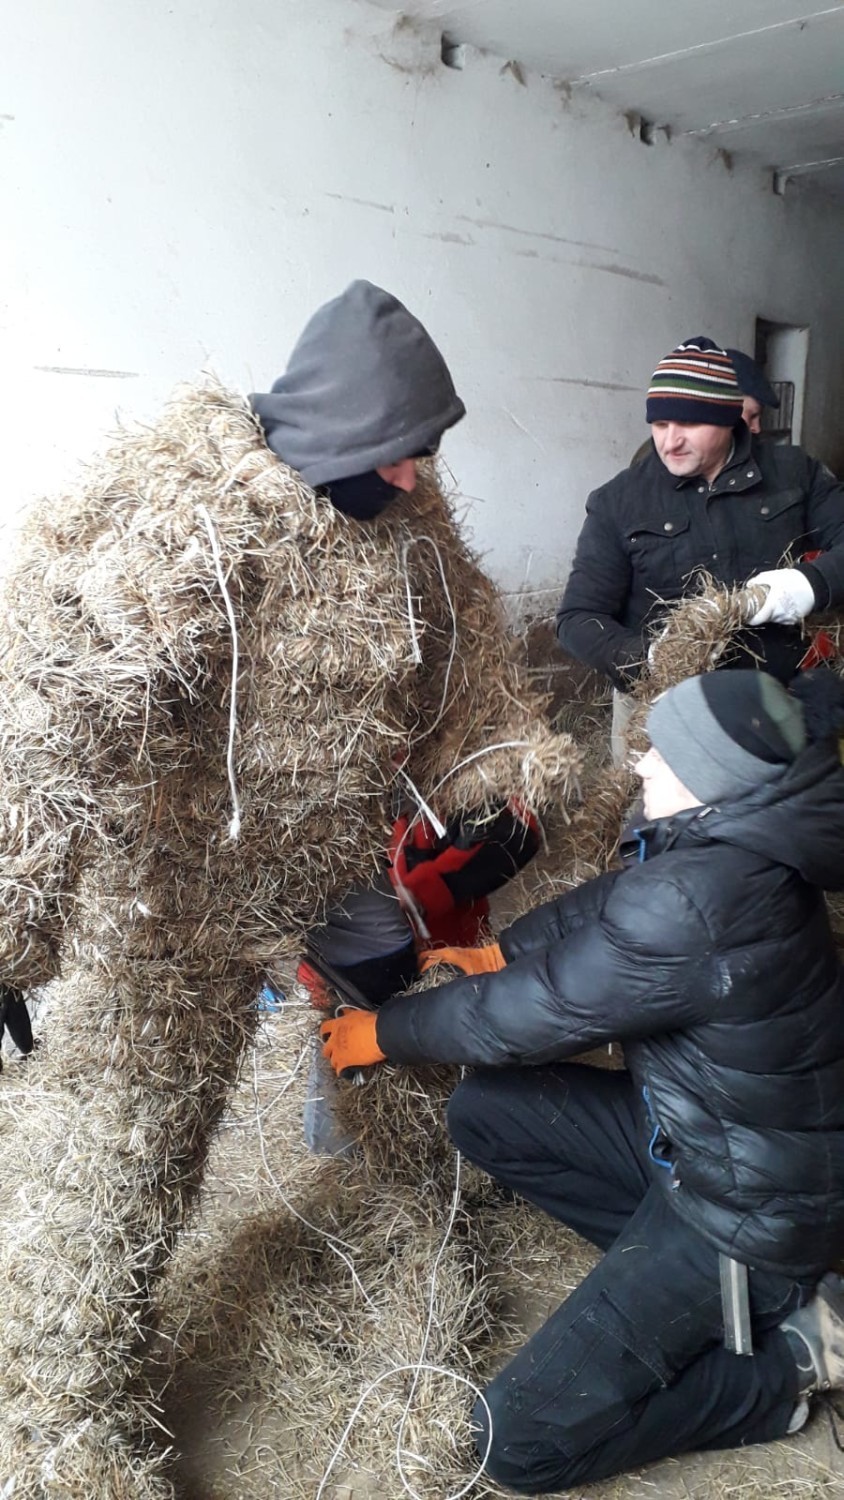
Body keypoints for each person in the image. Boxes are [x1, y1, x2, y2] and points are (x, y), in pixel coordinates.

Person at [320, 667, 844, 1492]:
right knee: (485, 1112)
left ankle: (785, 1365)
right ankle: (674, 1288)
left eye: (663, 755)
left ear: (709, 780)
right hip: (705, 1150)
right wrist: (499, 951)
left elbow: (521, 1020)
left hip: (749, 1216)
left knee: (512, 1443)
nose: (639, 766)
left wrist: (382, 1033)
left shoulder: (701, 898)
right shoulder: (730, 841)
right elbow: (610, 904)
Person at [557, 336, 844, 761]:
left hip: (774, 704)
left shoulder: (793, 474)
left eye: (689, 423)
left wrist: (807, 585)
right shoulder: (618, 502)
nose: (669, 441)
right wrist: (649, 658)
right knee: (648, 821)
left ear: (729, 418)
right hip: (661, 716)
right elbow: (577, 619)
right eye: (659, 424)